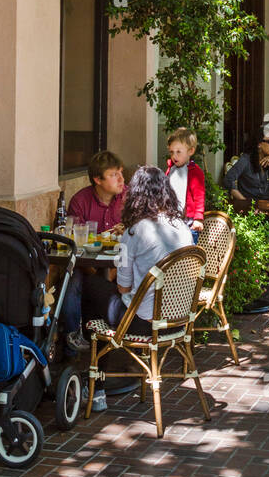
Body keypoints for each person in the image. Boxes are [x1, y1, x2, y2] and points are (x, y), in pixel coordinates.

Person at [104, 166, 195, 336]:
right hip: (180, 318)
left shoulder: (133, 231)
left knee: (92, 286)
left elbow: (123, 288)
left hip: (145, 323)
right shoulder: (182, 227)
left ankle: (100, 353)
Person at [63, 151, 126, 353]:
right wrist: (97, 271)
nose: (121, 179)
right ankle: (72, 341)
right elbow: (76, 242)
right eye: (114, 174)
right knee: (70, 283)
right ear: (97, 180)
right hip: (87, 265)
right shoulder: (80, 201)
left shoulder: (128, 198)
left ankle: (123, 337)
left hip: (122, 265)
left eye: (121, 173)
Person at [165, 128, 205, 239]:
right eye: (172, 152)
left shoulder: (194, 172)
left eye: (178, 152)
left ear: (190, 151)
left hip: (189, 221)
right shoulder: (171, 170)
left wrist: (198, 219)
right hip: (171, 219)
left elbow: (199, 197)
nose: (174, 156)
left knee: (188, 248)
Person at [225, 134, 269, 207]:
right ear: (259, 144)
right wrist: (244, 202)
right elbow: (228, 180)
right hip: (253, 204)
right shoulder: (246, 160)